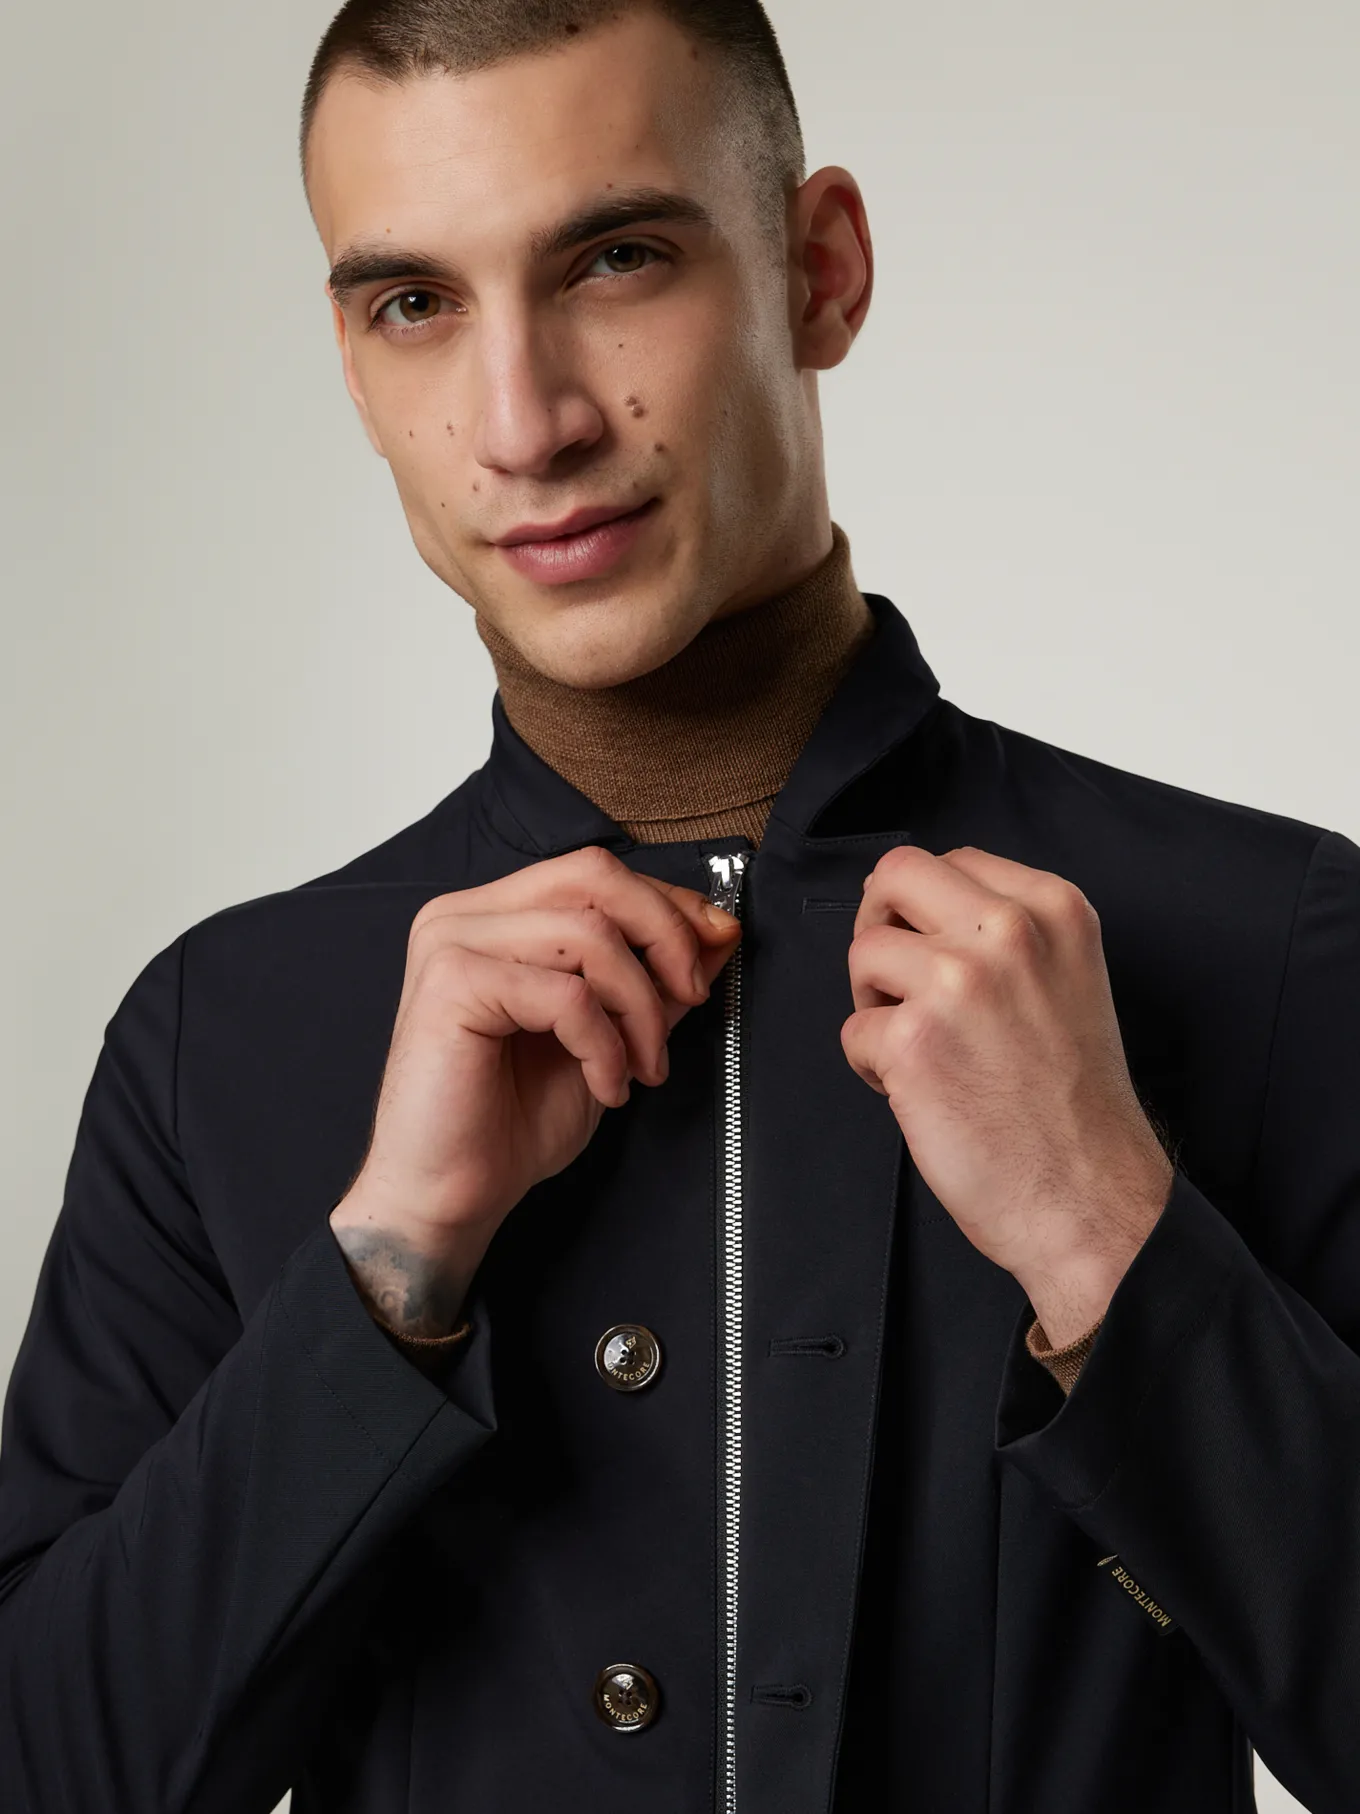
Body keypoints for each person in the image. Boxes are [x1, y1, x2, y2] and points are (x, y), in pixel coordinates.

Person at [1, 1, 1357, 1809]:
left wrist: (1107, 1234)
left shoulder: (1273, 947)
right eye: (415, 303)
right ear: (352, 364)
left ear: (821, 271)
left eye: (616, 260)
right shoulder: (217, 1034)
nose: (525, 422)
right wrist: (389, 1266)